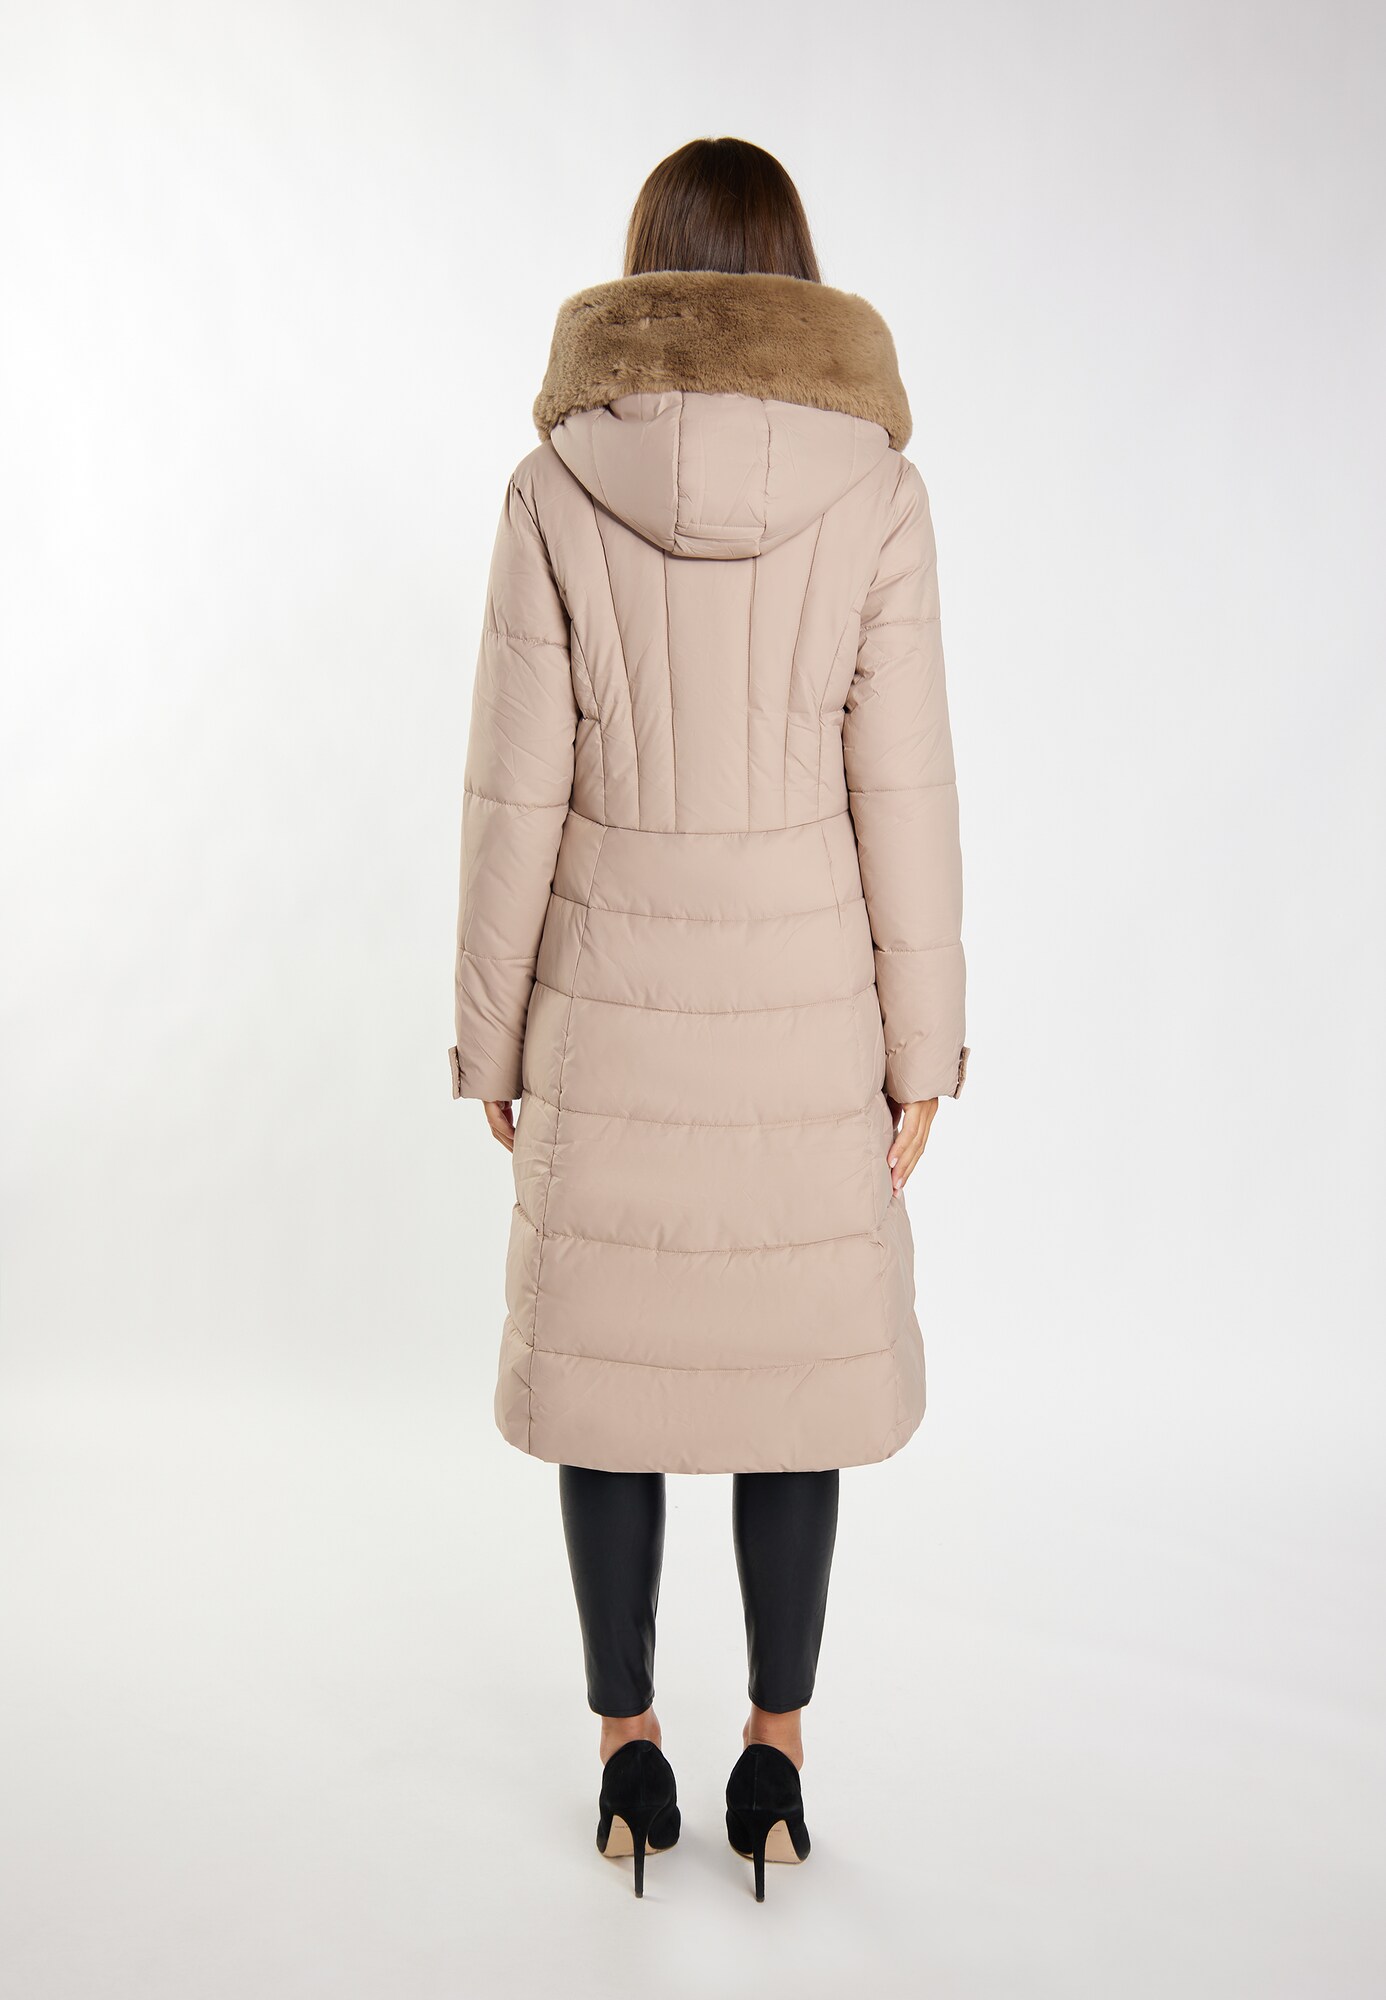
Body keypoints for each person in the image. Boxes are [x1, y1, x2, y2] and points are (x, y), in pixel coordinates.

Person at [448, 136, 968, 1901]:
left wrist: (490, 1035)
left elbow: (513, 791)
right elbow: (904, 792)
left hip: (606, 996)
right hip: (808, 1008)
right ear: (797, 278)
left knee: (614, 1373)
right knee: (787, 1379)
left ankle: (625, 1754)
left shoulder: (552, 488)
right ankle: (776, 1759)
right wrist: (922, 1049)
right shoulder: (877, 494)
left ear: (645, 269)